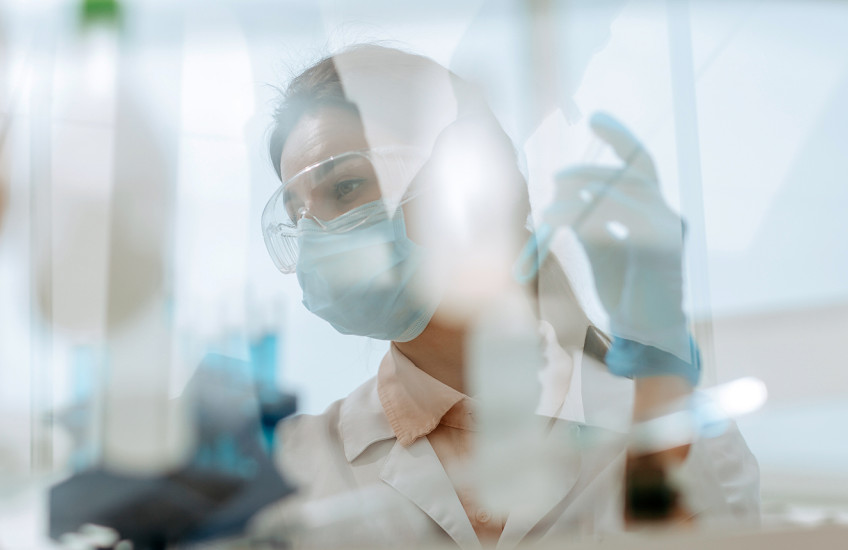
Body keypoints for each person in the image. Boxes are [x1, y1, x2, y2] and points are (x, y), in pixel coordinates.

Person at [253, 45, 759, 549]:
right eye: (298, 214)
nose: (317, 236)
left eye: (345, 189)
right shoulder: (296, 468)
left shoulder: (672, 428)